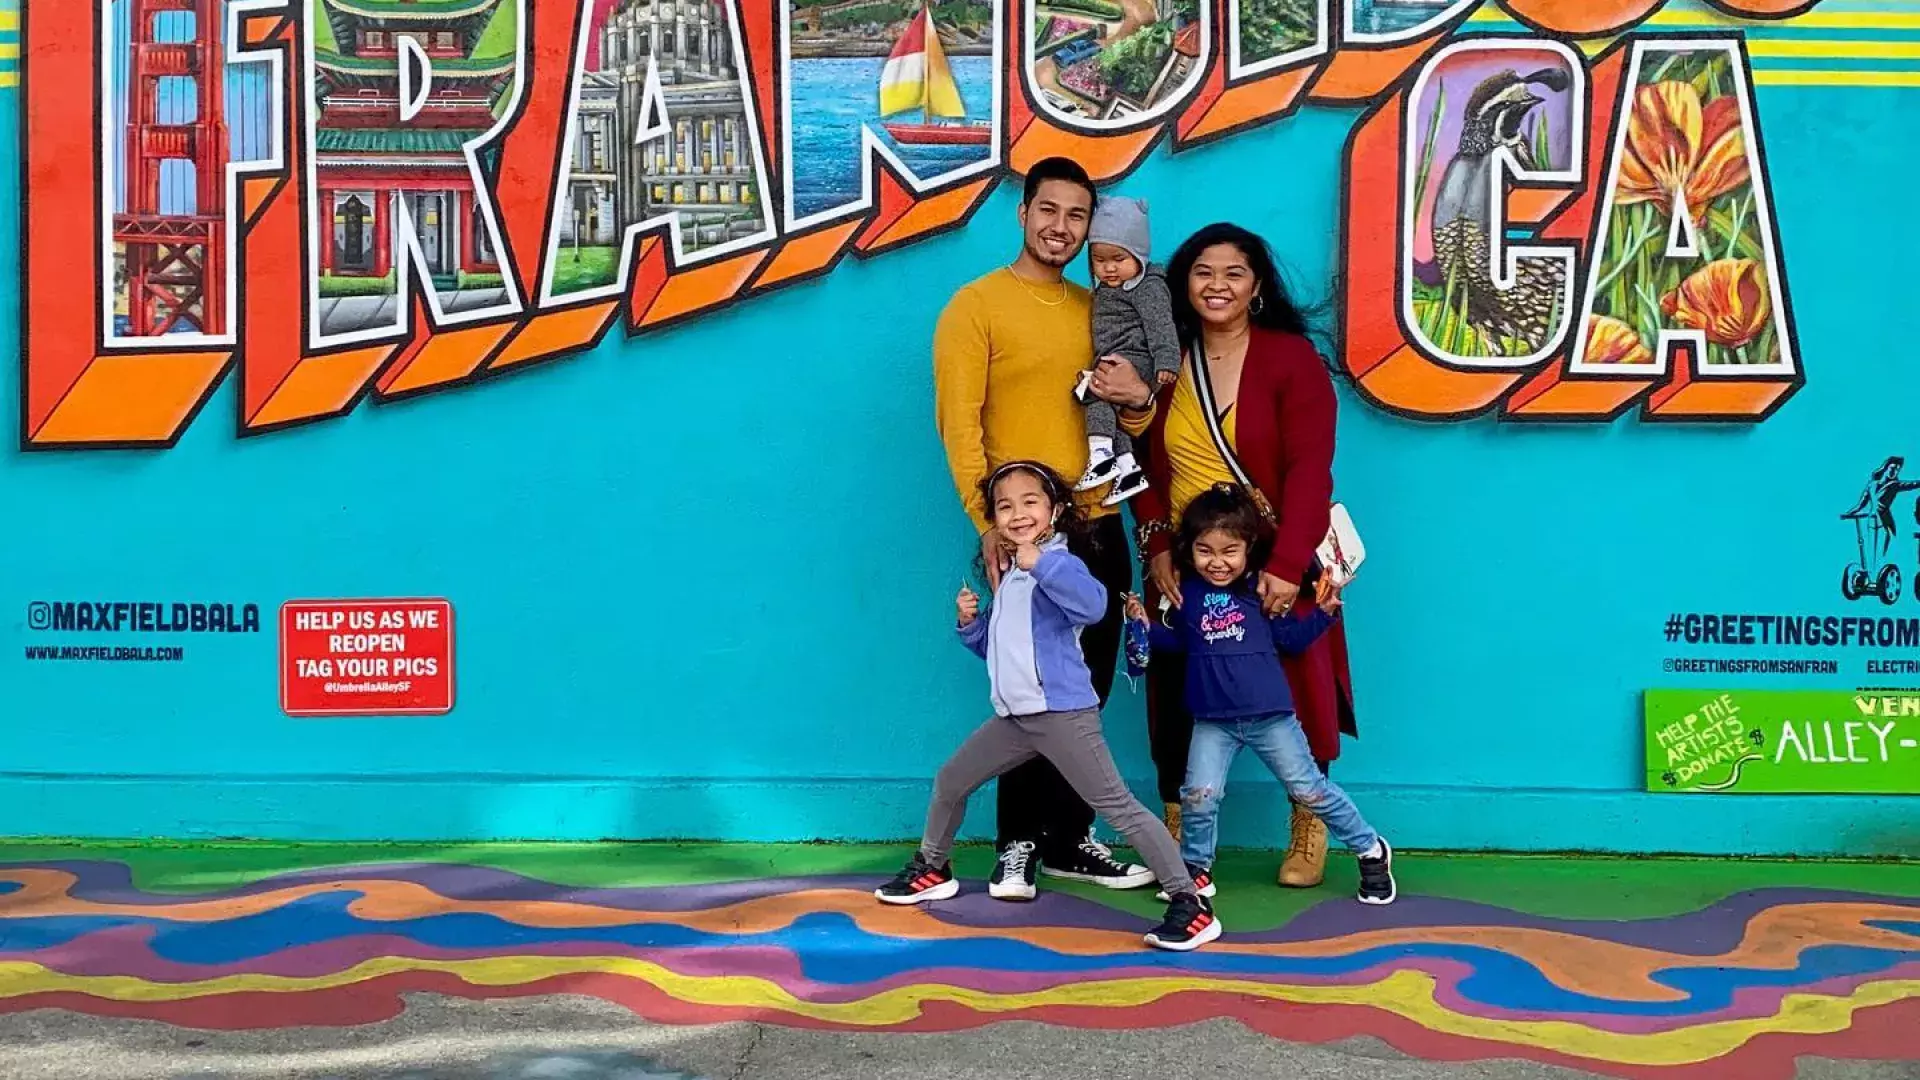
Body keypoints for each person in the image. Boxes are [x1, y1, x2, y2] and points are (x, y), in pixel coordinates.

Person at [876, 462, 1223, 952]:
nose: (1017, 513)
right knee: (951, 781)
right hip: (1016, 720)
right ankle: (933, 867)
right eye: (1005, 506)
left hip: (1062, 716)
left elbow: (1094, 605)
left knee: (1117, 807)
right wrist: (972, 626)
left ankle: (1190, 905)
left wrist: (1039, 562)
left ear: (1055, 510)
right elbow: (1008, 648)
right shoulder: (1014, 575)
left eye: (1030, 502)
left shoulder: (1058, 563)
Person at [932, 156, 1158, 901]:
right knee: (1029, 698)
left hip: (1097, 530)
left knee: (1080, 700)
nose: (1061, 228)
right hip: (1023, 538)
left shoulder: (1099, 308)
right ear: (1022, 214)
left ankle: (1068, 839)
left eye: (1077, 216)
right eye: (1048, 211)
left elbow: (1131, 414)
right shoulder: (976, 306)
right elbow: (959, 426)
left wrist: (1138, 401)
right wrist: (990, 528)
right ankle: (1017, 848)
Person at [1124, 222, 1360, 889]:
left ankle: (1310, 826)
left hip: (1274, 551)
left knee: (1300, 681)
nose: (1217, 285)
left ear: (1256, 285)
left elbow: (1311, 468)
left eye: (1233, 273)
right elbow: (1141, 471)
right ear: (1184, 283)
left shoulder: (1290, 359)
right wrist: (1160, 548)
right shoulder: (1164, 366)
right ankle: (1177, 834)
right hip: (1187, 556)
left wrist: (1287, 566)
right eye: (1203, 272)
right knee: (1174, 690)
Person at [1126, 485, 1396, 906]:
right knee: (1198, 794)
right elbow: (1180, 643)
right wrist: (1144, 625)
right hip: (1212, 723)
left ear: (1249, 547)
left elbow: (1290, 638)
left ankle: (1370, 849)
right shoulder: (1187, 596)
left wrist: (1325, 612)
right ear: (1189, 550)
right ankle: (1195, 869)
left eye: (1229, 550)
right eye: (1204, 551)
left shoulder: (1260, 591)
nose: (1217, 562)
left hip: (1272, 719)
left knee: (1311, 790)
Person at [1073, 195, 1182, 506]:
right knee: (1109, 408)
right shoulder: (1110, 289)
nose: (1108, 268)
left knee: (1095, 393)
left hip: (1137, 360)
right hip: (1120, 357)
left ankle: (1101, 456)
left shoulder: (1147, 287)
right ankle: (1127, 469)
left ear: (1138, 255)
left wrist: (1166, 361)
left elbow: (1160, 324)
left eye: (1118, 259)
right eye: (1099, 259)